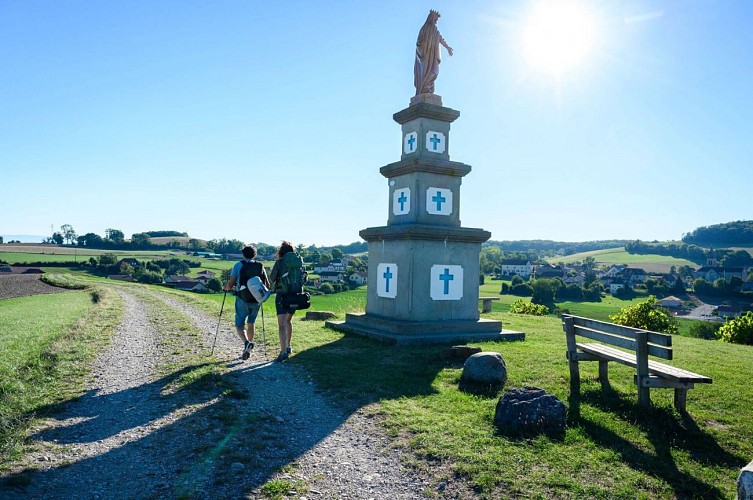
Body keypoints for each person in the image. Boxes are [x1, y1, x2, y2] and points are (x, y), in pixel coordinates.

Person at [224, 245, 270, 360]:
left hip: (242, 299)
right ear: (255, 255)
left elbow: (231, 283)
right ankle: (248, 346)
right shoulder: (260, 266)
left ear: (243, 254)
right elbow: (267, 285)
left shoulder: (238, 265)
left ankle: (246, 343)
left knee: (239, 325)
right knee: (251, 323)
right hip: (256, 299)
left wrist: (227, 288)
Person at [268, 241, 304, 362]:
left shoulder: (279, 263)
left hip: (282, 295)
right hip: (295, 295)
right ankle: (288, 346)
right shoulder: (299, 262)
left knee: (281, 324)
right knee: (289, 321)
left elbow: (271, 280)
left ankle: (283, 352)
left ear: (281, 252)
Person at [414, 9, 453, 96]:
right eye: (435, 19)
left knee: (434, 71)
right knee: (425, 73)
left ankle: (428, 88)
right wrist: (424, 46)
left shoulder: (435, 30)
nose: (436, 22)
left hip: (433, 56)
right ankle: (424, 89)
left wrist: (447, 47)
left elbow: (440, 38)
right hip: (425, 56)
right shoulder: (424, 29)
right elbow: (419, 42)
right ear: (431, 18)